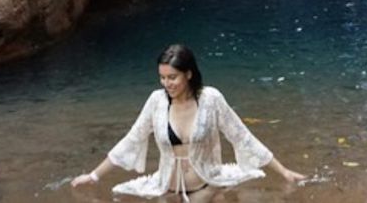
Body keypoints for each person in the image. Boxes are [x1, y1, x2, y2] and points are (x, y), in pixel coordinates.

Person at [71, 44, 306, 199]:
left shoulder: (211, 99)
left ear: (189, 74)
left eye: (172, 77)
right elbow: (132, 139)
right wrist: (93, 176)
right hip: (167, 190)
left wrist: (284, 172)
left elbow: (242, 136)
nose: (167, 83)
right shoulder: (156, 101)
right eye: (162, 78)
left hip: (205, 189)